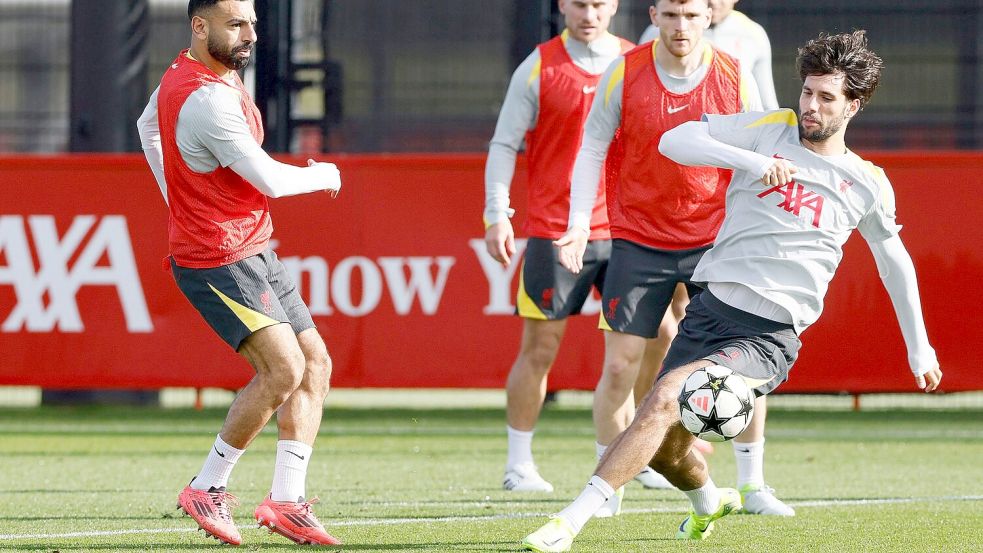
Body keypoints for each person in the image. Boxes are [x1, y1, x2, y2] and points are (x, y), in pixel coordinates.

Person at [522, 30, 942, 551]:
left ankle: (569, 522)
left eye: (826, 97)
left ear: (853, 106)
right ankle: (709, 501)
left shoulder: (866, 182)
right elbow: (673, 141)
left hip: (769, 337)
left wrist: (918, 345)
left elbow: (893, 259)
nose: (810, 106)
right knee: (665, 449)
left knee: (664, 400)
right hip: (711, 311)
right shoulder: (771, 131)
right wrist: (754, 164)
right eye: (807, 92)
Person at [136, 0, 343, 546]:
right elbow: (271, 181)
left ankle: (287, 501)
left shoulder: (193, 75)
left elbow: (145, 126)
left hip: (251, 247)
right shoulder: (206, 98)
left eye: (252, 21)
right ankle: (207, 486)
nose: (250, 33)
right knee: (283, 370)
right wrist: (322, 172)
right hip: (216, 256)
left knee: (315, 363)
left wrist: (176, 196)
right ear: (199, 26)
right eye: (236, 23)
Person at [548, 0, 761, 517]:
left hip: (714, 240)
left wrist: (752, 236)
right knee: (620, 366)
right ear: (654, 16)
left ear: (708, 16)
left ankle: (754, 485)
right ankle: (609, 482)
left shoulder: (735, 75)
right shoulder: (626, 71)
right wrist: (580, 223)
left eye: (690, 14)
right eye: (670, 15)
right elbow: (593, 146)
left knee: (739, 367)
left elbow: (757, 155)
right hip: (639, 238)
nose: (680, 25)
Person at [484, 0, 661, 496]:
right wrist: (497, 213)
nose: (589, 12)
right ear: (563, 5)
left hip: (627, 229)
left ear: (615, 7)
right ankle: (519, 463)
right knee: (540, 347)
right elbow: (504, 144)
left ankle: (636, 454)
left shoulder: (638, 59)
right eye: (579, 2)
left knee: (649, 341)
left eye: (599, 3)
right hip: (554, 228)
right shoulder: (539, 66)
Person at [635, 0, 791, 516]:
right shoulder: (651, 38)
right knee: (661, 339)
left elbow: (774, 121)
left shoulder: (750, 40)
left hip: (725, 220)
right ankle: (656, 447)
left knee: (748, 341)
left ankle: (752, 484)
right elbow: (646, 129)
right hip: (657, 219)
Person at [640, 0, 778, 109]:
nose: (713, 1)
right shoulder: (659, 32)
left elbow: (767, 105)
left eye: (691, 16)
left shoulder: (753, 34)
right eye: (671, 16)